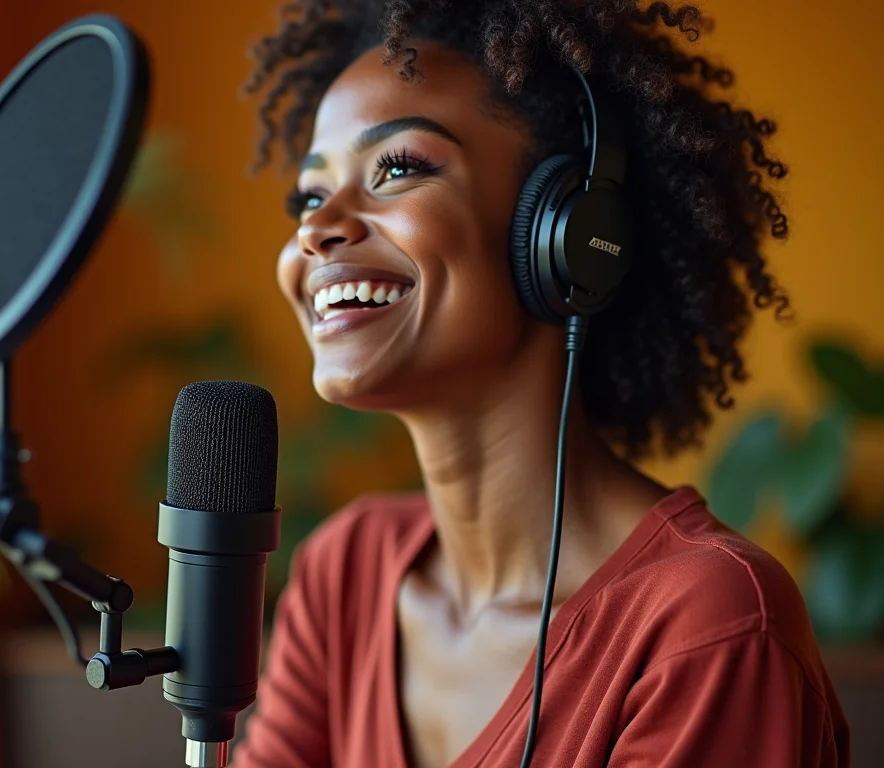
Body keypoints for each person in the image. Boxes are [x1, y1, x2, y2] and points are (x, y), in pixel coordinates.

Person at [234, 1, 851, 766]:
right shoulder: (344, 574)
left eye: (397, 168)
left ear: (564, 235)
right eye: (308, 196)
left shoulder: (706, 623)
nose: (314, 228)